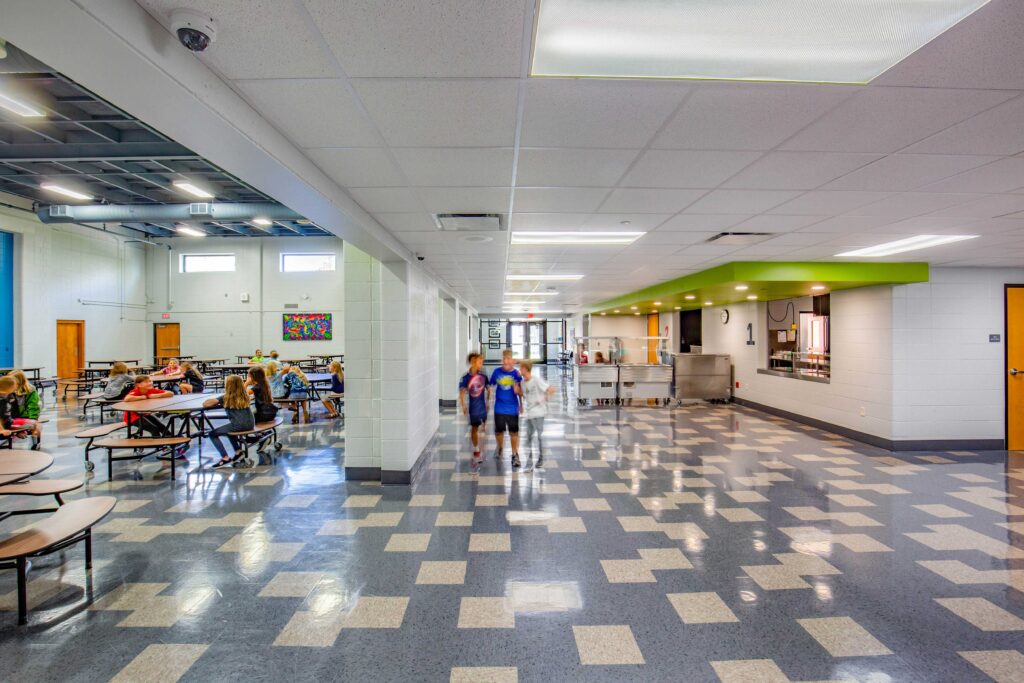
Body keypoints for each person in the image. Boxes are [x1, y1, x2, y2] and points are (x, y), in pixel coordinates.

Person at [204, 375, 255, 468]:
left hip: (238, 425)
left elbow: (206, 404)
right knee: (228, 430)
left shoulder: (225, 397)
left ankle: (225, 458)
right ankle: (238, 452)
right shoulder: (245, 395)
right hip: (251, 423)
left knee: (212, 434)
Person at [488, 349, 523, 468]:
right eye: (504, 359)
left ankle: (514, 454)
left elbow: (520, 392)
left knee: (513, 432)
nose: (505, 361)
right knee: (499, 431)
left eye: (508, 359)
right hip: (499, 407)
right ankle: (500, 447)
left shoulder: (516, 374)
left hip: (512, 407)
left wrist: (521, 404)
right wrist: (488, 399)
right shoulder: (496, 372)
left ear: (512, 361)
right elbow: (490, 385)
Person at [123, 375, 176, 451]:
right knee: (154, 429)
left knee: (161, 426)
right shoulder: (135, 391)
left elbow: (171, 393)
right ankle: (161, 447)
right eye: (146, 382)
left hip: (144, 414)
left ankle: (173, 443)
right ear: (139, 385)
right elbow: (127, 398)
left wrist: (157, 395)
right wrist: (144, 397)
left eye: (150, 381)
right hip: (132, 417)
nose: (150, 383)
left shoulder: (151, 390)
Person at [518, 360, 554, 470]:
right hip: (529, 414)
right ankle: (529, 462)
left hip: (539, 413)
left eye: (521, 368)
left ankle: (541, 458)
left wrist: (545, 398)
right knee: (528, 438)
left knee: (539, 437)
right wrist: (518, 392)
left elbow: (551, 389)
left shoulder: (537, 380)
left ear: (525, 368)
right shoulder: (523, 383)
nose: (520, 370)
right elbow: (525, 395)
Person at [458, 352, 488, 463]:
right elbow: (462, 392)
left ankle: (480, 446)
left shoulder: (483, 375)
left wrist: (488, 401)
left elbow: (488, 388)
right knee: (474, 428)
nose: (481, 364)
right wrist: (463, 405)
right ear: (472, 362)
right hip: (473, 408)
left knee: (483, 427)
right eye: (480, 361)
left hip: (483, 407)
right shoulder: (465, 378)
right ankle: (476, 450)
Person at [7, 370, 42, 448]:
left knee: (36, 427)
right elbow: (9, 409)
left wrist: (33, 420)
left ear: (19, 381)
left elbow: (33, 407)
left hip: (27, 416)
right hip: (13, 417)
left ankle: (36, 444)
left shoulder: (31, 390)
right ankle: (20, 433)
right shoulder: (9, 390)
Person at [0, 376, 15, 442]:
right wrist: (1, 430)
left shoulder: (7, 396)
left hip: (9, 422)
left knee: (34, 424)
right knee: (33, 424)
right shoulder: (1, 400)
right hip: (4, 426)